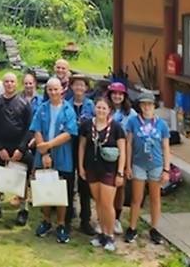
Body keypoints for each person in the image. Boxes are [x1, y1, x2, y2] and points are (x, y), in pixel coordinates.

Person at [30, 77, 78, 244]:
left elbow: (69, 133)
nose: (53, 92)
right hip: (43, 156)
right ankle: (46, 221)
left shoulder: (68, 110)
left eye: (56, 89)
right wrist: (44, 153)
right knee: (45, 189)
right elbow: (36, 129)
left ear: (61, 90)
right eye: (50, 89)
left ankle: (61, 224)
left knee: (61, 191)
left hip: (62, 156)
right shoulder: (42, 108)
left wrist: (48, 145)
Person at [78, 97, 126, 252]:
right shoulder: (87, 125)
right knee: (98, 202)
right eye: (98, 107)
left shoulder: (116, 127)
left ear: (109, 110)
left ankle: (110, 235)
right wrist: (81, 167)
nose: (100, 111)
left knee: (107, 203)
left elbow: (123, 151)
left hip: (109, 170)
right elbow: (82, 147)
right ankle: (101, 232)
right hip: (92, 169)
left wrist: (120, 172)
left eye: (104, 108)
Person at [124, 92, 171, 245]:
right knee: (136, 198)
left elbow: (165, 147)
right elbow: (129, 144)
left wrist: (166, 169)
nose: (146, 107)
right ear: (140, 106)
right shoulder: (133, 121)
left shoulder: (161, 124)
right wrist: (128, 165)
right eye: (143, 104)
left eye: (149, 104)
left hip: (156, 165)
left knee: (155, 198)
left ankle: (155, 229)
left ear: (154, 106)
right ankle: (132, 227)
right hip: (138, 163)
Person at [0, 73, 33, 226]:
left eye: (12, 81)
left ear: (16, 84)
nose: (9, 84)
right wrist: (0, 148)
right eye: (6, 81)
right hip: (0, 148)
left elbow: (29, 128)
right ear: (3, 84)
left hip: (19, 149)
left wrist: (21, 149)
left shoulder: (25, 104)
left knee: (21, 180)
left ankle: (23, 209)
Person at [67, 74, 95, 234]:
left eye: (82, 85)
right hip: (69, 146)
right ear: (71, 87)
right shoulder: (66, 105)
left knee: (85, 183)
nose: (79, 88)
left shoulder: (91, 105)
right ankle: (68, 214)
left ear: (86, 88)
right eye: (76, 85)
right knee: (69, 181)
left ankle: (86, 219)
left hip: (86, 148)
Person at [107, 81, 136, 235]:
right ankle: (104, 217)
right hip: (105, 153)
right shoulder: (104, 108)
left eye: (120, 94)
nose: (117, 96)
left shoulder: (131, 114)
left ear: (124, 96)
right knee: (105, 186)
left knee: (120, 187)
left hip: (123, 154)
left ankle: (117, 218)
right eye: (114, 93)